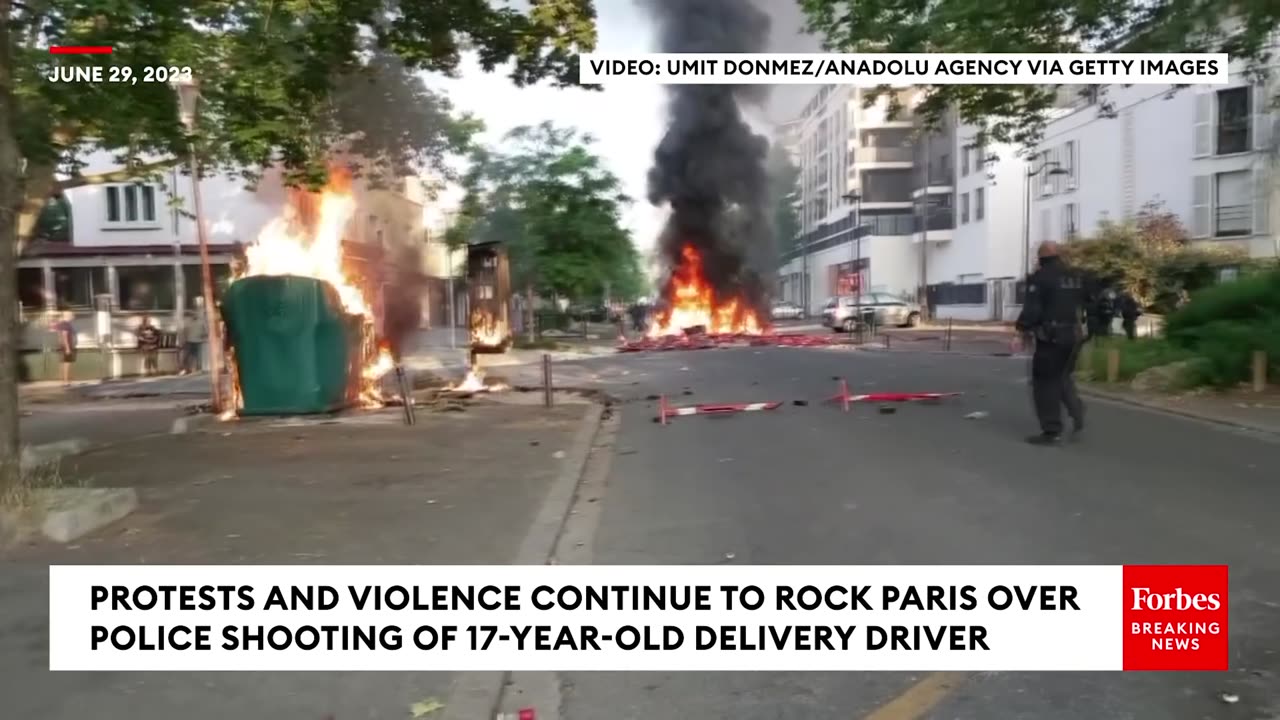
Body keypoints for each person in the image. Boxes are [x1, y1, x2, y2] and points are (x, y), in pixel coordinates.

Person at [1014, 241, 1092, 445]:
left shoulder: (1039, 279)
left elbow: (1032, 310)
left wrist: (1022, 330)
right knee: (1062, 375)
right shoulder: (1076, 277)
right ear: (1059, 255)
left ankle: (1051, 430)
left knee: (1044, 383)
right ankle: (1076, 409)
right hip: (1074, 335)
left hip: (1051, 337)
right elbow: (1091, 301)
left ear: (1040, 258)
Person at [52, 311, 77, 386]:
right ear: (68, 316)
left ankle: (64, 381)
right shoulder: (65, 324)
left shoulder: (61, 324)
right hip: (66, 346)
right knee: (67, 364)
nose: (73, 316)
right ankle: (66, 381)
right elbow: (64, 336)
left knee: (64, 364)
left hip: (62, 346)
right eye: (72, 315)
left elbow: (59, 336)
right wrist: (67, 348)